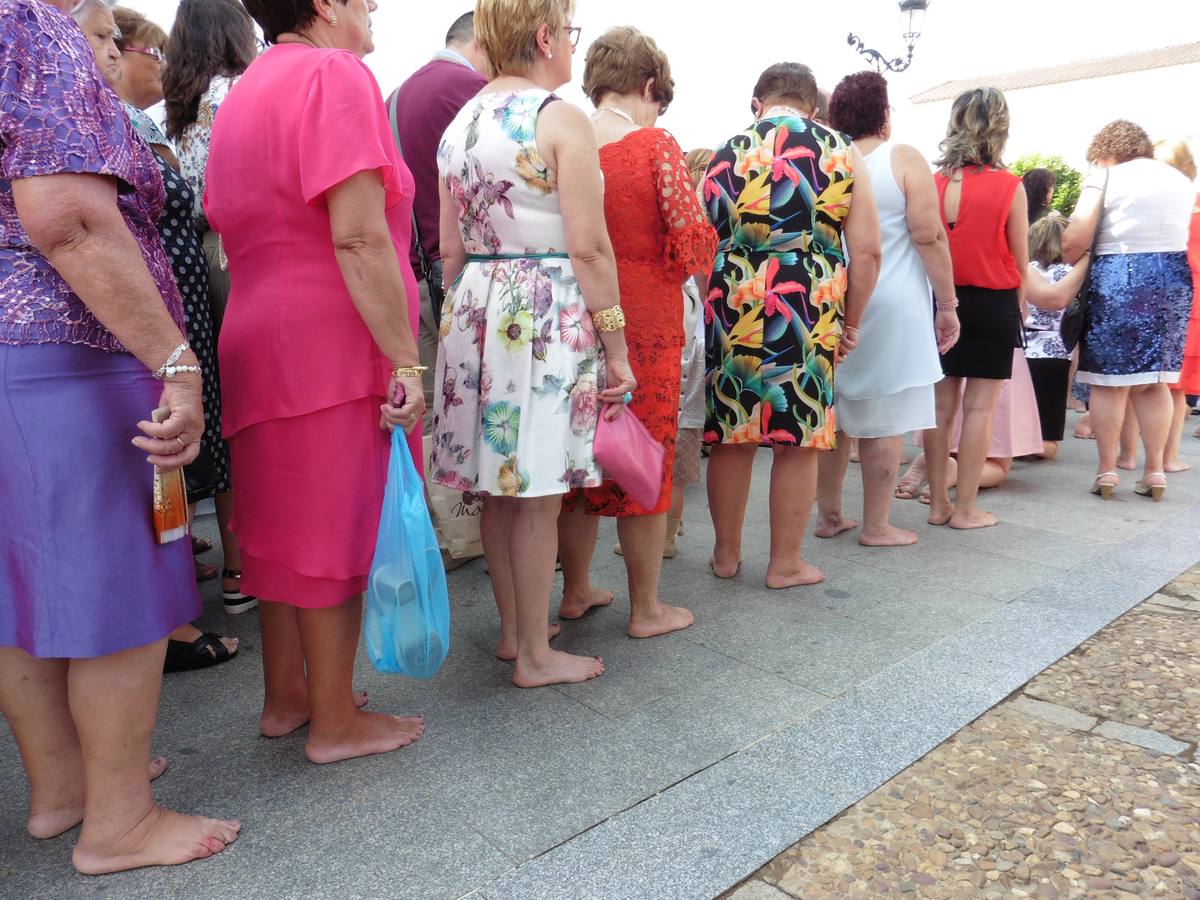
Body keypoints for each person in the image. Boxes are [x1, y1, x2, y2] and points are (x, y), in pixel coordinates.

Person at [1, 0, 238, 872]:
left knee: (23, 594)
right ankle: (119, 822)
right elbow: (66, 214)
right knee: (118, 592)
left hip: (15, 362)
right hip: (76, 351)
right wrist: (176, 362)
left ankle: (66, 792)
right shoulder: (32, 20)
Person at [205, 0, 426, 762]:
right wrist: (404, 357)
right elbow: (359, 233)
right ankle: (335, 721)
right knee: (335, 524)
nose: (375, 7)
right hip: (330, 333)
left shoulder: (246, 91)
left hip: (258, 328)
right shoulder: (336, 73)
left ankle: (288, 696)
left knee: (277, 524)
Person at [432, 0, 636, 685]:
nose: (573, 46)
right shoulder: (557, 117)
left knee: (498, 488)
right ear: (545, 36)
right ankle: (537, 657)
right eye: (569, 31)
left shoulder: (459, 125)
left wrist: (466, 325)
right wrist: (617, 347)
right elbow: (589, 244)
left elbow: (449, 250)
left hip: (477, 307)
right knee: (539, 489)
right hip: (542, 311)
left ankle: (517, 635)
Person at [81, 4, 241, 671]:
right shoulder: (98, 121)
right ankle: (165, 622)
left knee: (173, 451)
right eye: (106, 39)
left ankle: (169, 603)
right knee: (158, 451)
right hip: (148, 315)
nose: (120, 53)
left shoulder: (135, 119)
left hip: (170, 304)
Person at [556, 26, 716, 637]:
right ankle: (646, 607)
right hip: (646, 315)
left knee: (580, 457)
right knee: (644, 452)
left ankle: (574, 590)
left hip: (576, 314)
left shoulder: (564, 139)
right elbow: (693, 238)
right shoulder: (654, 144)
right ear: (648, 86)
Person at [703, 62, 881, 587]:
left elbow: (698, 244)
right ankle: (785, 564)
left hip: (732, 294)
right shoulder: (840, 149)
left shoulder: (724, 151)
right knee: (797, 436)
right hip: (808, 298)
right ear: (812, 106)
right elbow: (868, 251)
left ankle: (725, 556)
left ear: (757, 103)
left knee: (732, 432)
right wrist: (851, 323)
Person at [815, 70, 958, 547]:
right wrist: (948, 303)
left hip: (836, 299)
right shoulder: (902, 158)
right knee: (887, 418)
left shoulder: (828, 158)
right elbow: (929, 234)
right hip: (894, 301)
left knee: (835, 415)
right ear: (884, 114)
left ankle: (830, 514)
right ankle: (876, 525)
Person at [162, 0, 258, 611]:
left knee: (222, 411)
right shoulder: (240, 93)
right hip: (238, 251)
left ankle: (234, 564)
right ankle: (252, 562)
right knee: (249, 409)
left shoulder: (179, 111)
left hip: (198, 259)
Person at [1063, 120, 1194, 501]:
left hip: (1120, 273)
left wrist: (1073, 256)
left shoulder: (1106, 177)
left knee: (1107, 380)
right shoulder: (1180, 182)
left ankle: (1107, 471)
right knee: (1155, 381)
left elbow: (1076, 237)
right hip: (1173, 277)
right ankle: (1155, 471)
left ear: (1106, 153)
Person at [925, 87, 1028, 530]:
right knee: (980, 411)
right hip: (993, 302)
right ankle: (965, 508)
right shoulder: (1010, 186)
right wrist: (1018, 315)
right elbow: (1020, 260)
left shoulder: (933, 183)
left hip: (941, 299)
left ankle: (936, 506)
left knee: (940, 409)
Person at [386, 11, 488, 415]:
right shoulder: (472, 90)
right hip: (458, 283)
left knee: (430, 421)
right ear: (482, 43)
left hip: (407, 283)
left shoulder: (392, 97)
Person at [1153, 139, 1199, 471]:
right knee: (1175, 384)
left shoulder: (1154, 207)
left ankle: (1125, 458)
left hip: (1155, 296)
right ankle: (1166, 459)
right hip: (1191, 302)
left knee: (1148, 383)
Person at [1023, 213, 1083, 458]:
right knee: (1048, 441)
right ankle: (1024, 448)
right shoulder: (1073, 273)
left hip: (1022, 351)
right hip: (1055, 354)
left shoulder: (1025, 269)